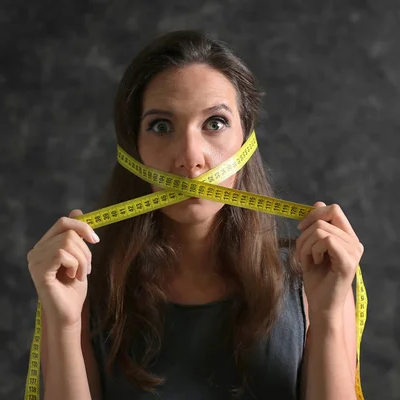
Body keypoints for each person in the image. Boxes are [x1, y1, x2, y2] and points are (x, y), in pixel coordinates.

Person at [27, 30, 364, 400]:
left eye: (215, 123)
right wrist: (63, 322)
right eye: (161, 126)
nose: (190, 157)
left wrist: (329, 315)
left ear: (246, 141)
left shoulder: (312, 279)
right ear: (133, 148)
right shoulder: (81, 286)